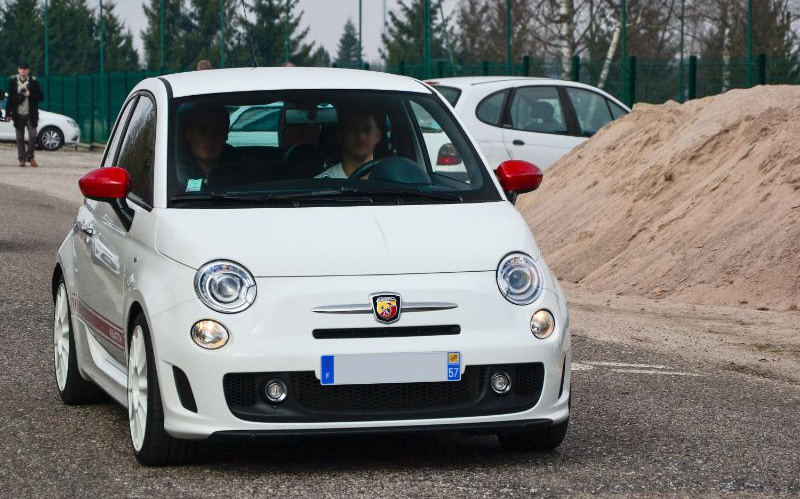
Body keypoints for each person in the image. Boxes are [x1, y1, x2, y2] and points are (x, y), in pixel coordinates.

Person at [177, 104, 239, 193]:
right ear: (189, 134)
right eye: (203, 130)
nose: (210, 137)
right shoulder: (172, 171)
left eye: (218, 131)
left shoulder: (240, 171)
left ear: (225, 135)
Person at [316, 107, 381, 179]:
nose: (361, 137)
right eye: (352, 129)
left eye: (367, 129)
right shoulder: (320, 183)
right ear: (340, 135)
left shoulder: (390, 179)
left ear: (377, 135)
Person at [5, 63, 44, 167]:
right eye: (21, 68)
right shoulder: (13, 81)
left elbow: (41, 97)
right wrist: (8, 113)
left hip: (31, 114)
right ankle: (22, 159)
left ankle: (30, 156)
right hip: (18, 114)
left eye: (25, 69)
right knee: (19, 138)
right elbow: (10, 99)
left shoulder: (33, 81)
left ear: (28, 70)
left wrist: (29, 94)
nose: (23, 70)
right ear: (18, 70)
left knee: (33, 136)